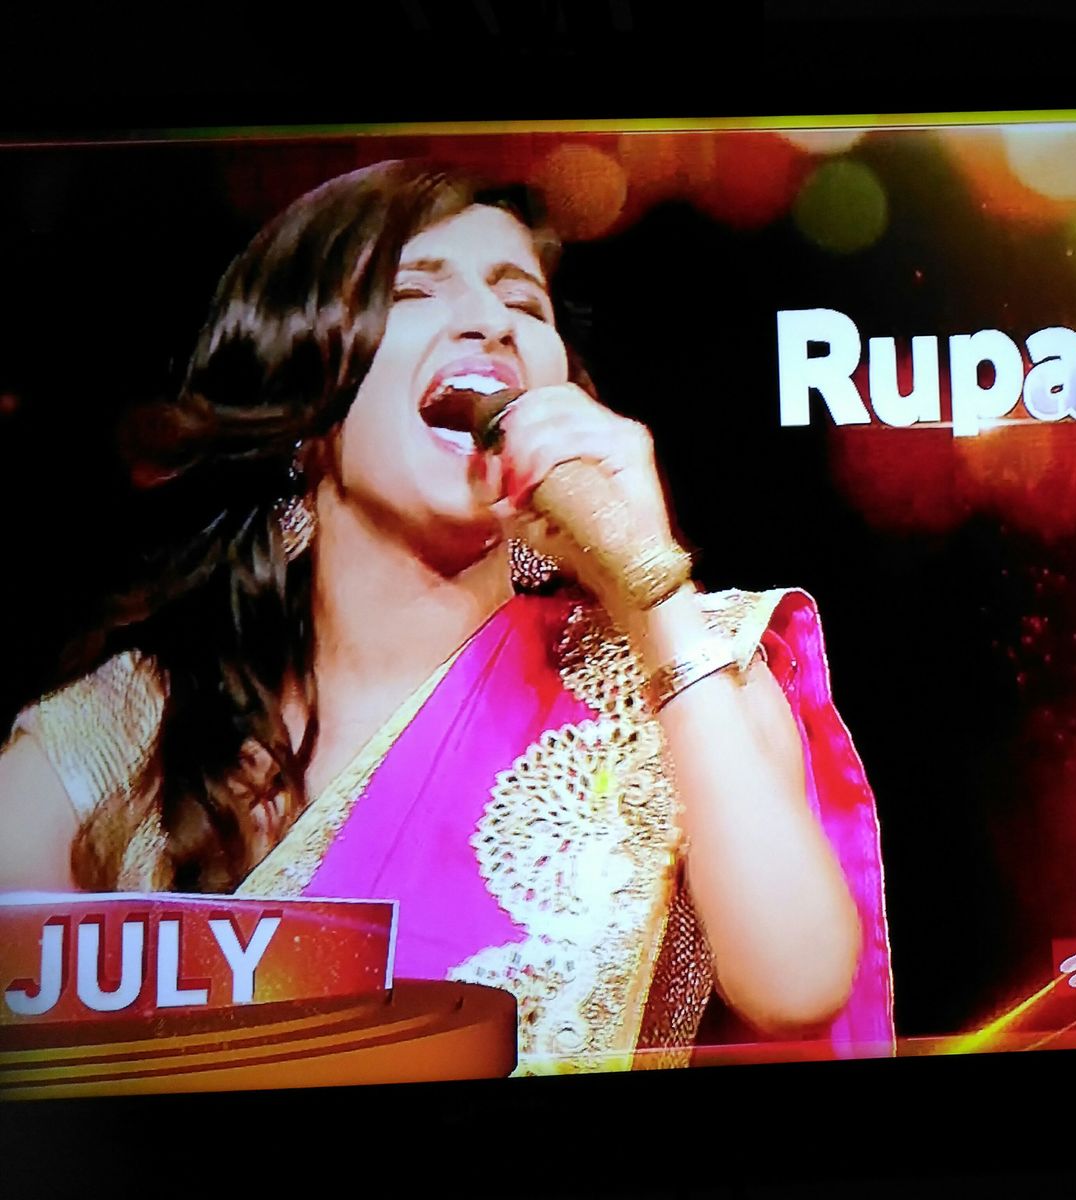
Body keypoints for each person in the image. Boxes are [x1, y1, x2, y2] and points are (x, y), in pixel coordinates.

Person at [0, 159, 893, 1074]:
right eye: (414, 291)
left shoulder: (692, 671)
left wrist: (650, 592)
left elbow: (798, 985)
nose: (490, 321)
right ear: (306, 409)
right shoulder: (124, 734)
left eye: (524, 303)